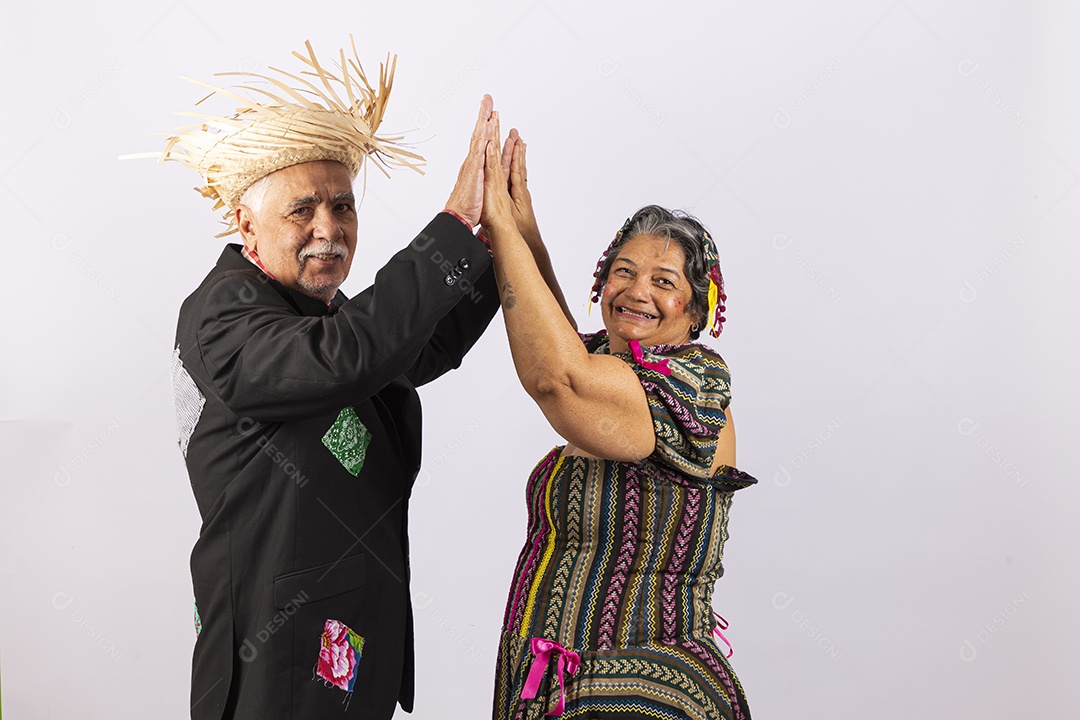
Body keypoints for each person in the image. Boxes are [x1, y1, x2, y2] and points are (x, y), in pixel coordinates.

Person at [150, 41, 502, 718]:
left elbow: (414, 347)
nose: (329, 229)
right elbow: (348, 354)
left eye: (343, 207)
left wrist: (498, 238)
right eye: (302, 210)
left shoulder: (324, 313)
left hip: (348, 639)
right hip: (275, 653)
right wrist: (453, 227)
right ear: (246, 225)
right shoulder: (222, 312)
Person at [480, 125, 757, 719]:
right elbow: (568, 351)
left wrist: (500, 229)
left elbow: (562, 378)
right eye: (623, 273)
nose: (636, 291)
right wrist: (526, 232)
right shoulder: (621, 366)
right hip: (569, 685)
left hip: (639, 691)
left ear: (698, 309)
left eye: (664, 282)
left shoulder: (693, 386)